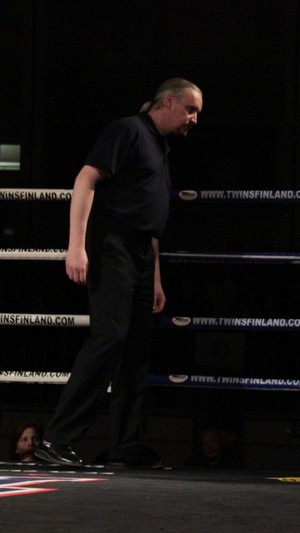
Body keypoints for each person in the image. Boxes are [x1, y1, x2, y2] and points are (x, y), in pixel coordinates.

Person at [35, 78, 203, 469]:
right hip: (112, 244)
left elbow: (150, 217)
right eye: (190, 110)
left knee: (136, 351)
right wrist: (76, 246)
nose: (194, 119)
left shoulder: (160, 145)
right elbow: (85, 178)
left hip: (142, 252)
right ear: (167, 102)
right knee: (109, 336)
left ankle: (125, 446)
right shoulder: (127, 129)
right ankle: (58, 439)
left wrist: (155, 276)